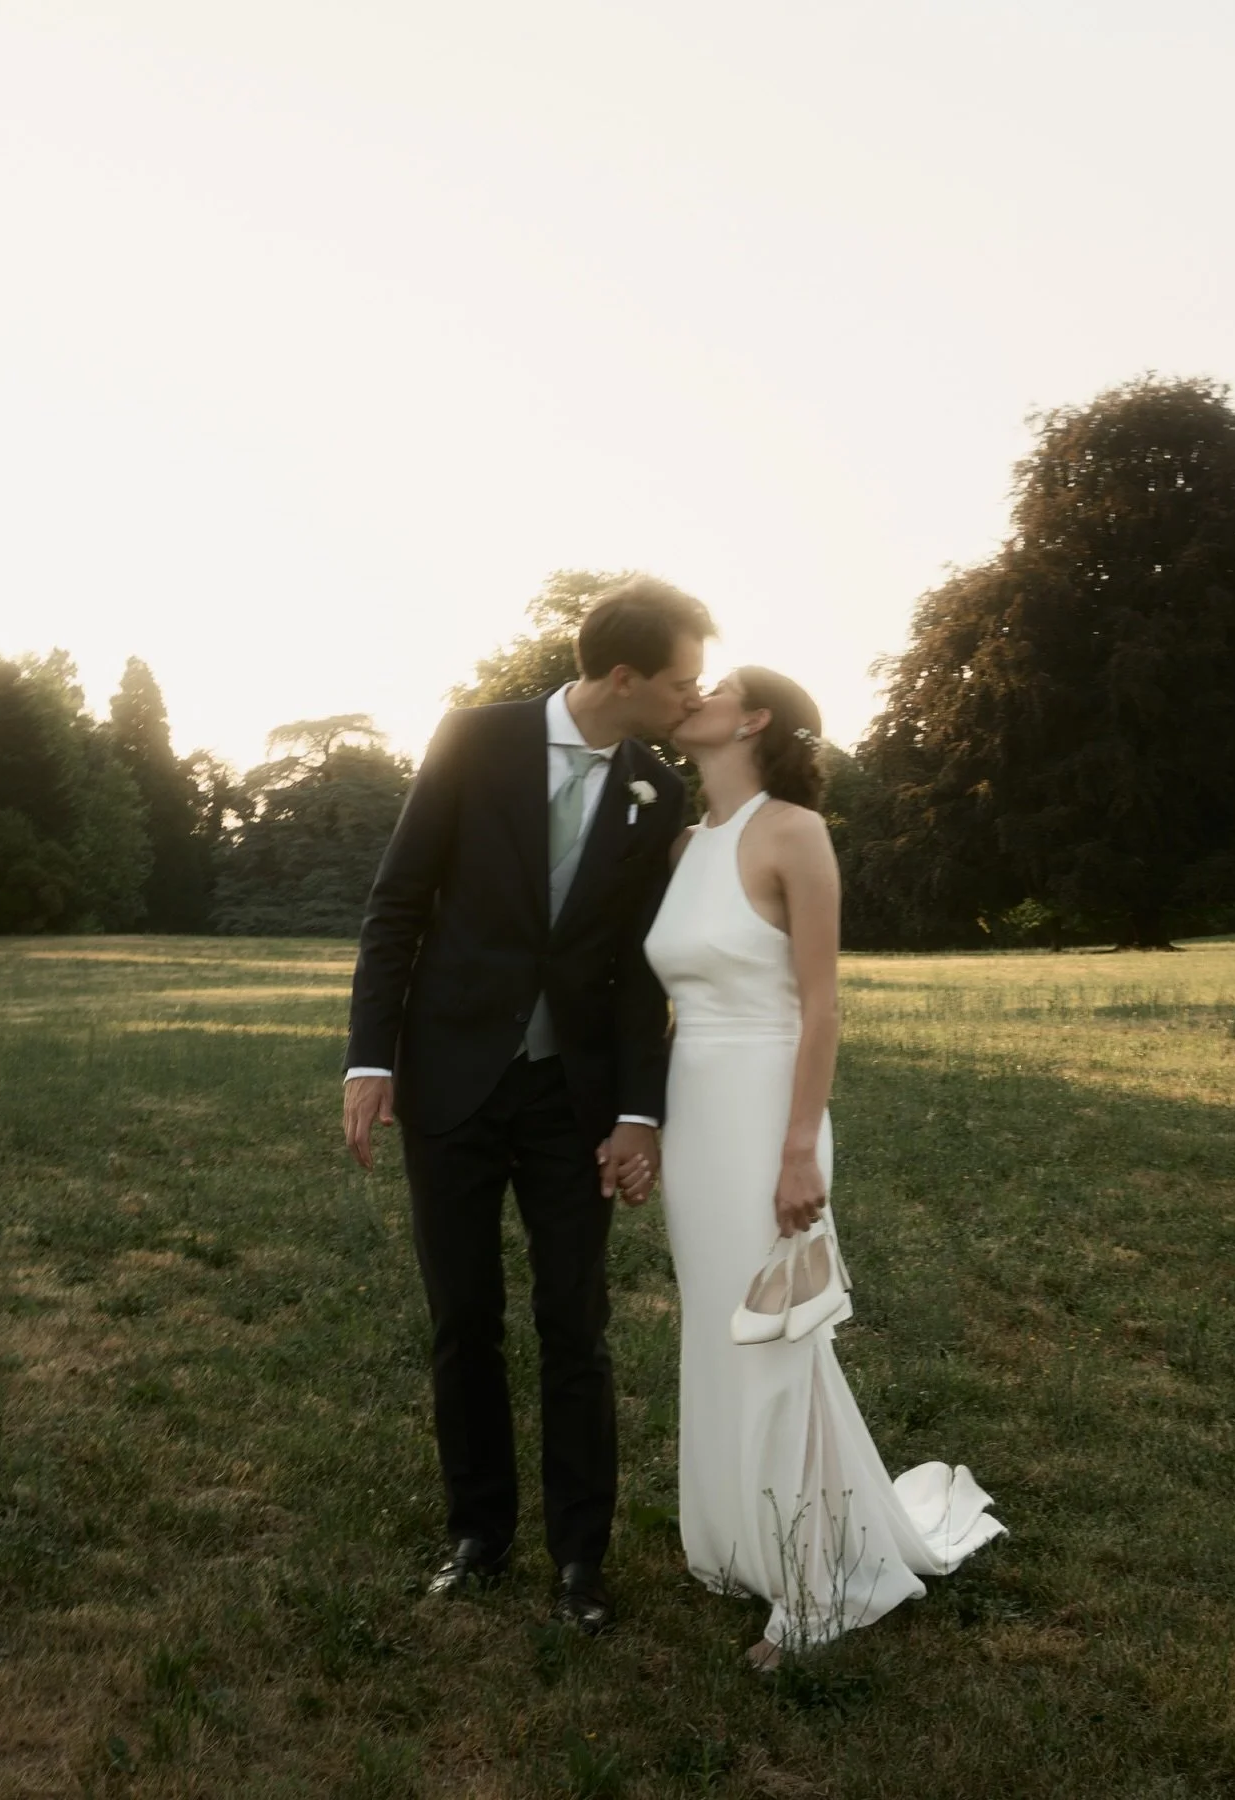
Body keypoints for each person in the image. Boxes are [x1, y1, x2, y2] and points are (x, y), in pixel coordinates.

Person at [343, 575, 715, 1634]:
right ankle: (477, 1532)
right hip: (451, 1079)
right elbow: (397, 903)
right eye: (681, 684)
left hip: (574, 1099)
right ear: (621, 676)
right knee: (463, 1317)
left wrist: (638, 1111)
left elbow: (643, 970)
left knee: (576, 1323)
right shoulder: (472, 738)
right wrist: (370, 1060)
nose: (693, 703)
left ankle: (579, 1561)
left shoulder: (660, 789)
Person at [644, 667, 1006, 1670]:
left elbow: (822, 1005)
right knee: (721, 1327)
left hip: (770, 1110)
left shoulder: (794, 830)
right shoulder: (684, 845)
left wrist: (801, 1145)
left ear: (754, 718)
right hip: (696, 1112)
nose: (693, 696)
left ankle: (821, 1586)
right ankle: (739, 1539)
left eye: (712, 687)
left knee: (776, 1335)